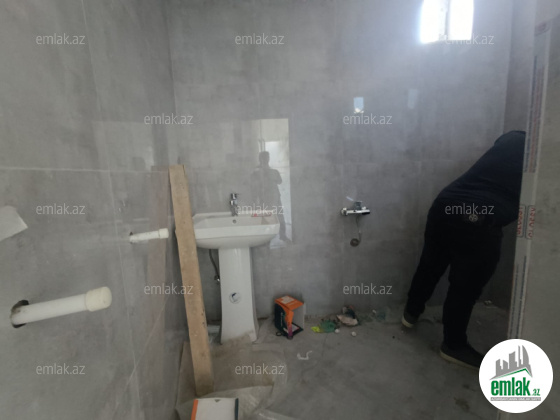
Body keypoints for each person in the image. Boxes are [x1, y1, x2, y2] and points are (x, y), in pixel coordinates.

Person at [402, 130, 526, 369]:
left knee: (430, 264)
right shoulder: (541, 155)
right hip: (478, 217)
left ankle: (411, 313)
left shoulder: (511, 141)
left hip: (445, 204)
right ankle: (453, 345)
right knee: (465, 286)